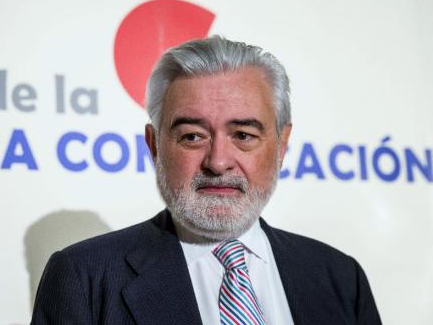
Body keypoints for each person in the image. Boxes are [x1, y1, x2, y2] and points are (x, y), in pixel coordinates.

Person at [31, 36, 381, 325]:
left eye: (243, 135)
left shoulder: (340, 278)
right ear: (154, 146)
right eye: (193, 136)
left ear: (281, 145)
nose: (217, 162)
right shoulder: (83, 278)